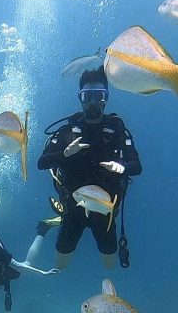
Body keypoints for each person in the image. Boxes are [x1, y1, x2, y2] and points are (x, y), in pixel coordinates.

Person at [31, 66, 142, 270]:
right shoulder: (67, 131)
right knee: (62, 258)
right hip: (73, 207)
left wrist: (122, 167)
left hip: (105, 209)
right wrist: (65, 154)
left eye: (98, 96)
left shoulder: (117, 129)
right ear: (80, 98)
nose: (92, 102)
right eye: (87, 96)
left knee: (109, 258)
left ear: (106, 98)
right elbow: (42, 163)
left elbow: (136, 166)